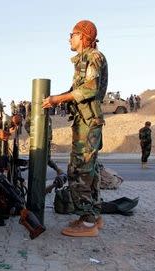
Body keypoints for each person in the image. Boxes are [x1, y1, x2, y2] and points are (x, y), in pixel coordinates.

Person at [42, 20, 108, 237]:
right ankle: (93, 216)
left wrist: (57, 99)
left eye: (72, 34)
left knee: (80, 170)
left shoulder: (93, 57)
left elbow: (89, 89)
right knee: (90, 171)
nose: (69, 38)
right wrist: (55, 100)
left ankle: (88, 223)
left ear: (83, 36)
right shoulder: (84, 60)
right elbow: (76, 91)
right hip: (85, 122)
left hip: (88, 124)